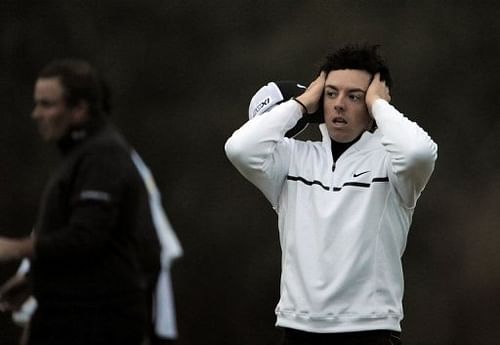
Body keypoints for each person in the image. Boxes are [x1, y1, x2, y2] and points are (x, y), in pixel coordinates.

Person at [225, 44, 437, 345]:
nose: (339, 104)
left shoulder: (392, 163)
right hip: (297, 326)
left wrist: (379, 104)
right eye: (331, 93)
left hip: (370, 328)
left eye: (355, 97)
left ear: (373, 105)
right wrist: (302, 103)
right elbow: (239, 148)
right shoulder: (292, 158)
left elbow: (419, 152)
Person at [0, 59, 182, 345]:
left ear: (79, 109)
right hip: (75, 315)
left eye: (47, 104)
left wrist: (15, 248)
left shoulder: (103, 157)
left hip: (98, 322)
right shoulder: (82, 155)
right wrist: (36, 280)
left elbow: (87, 238)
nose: (36, 114)